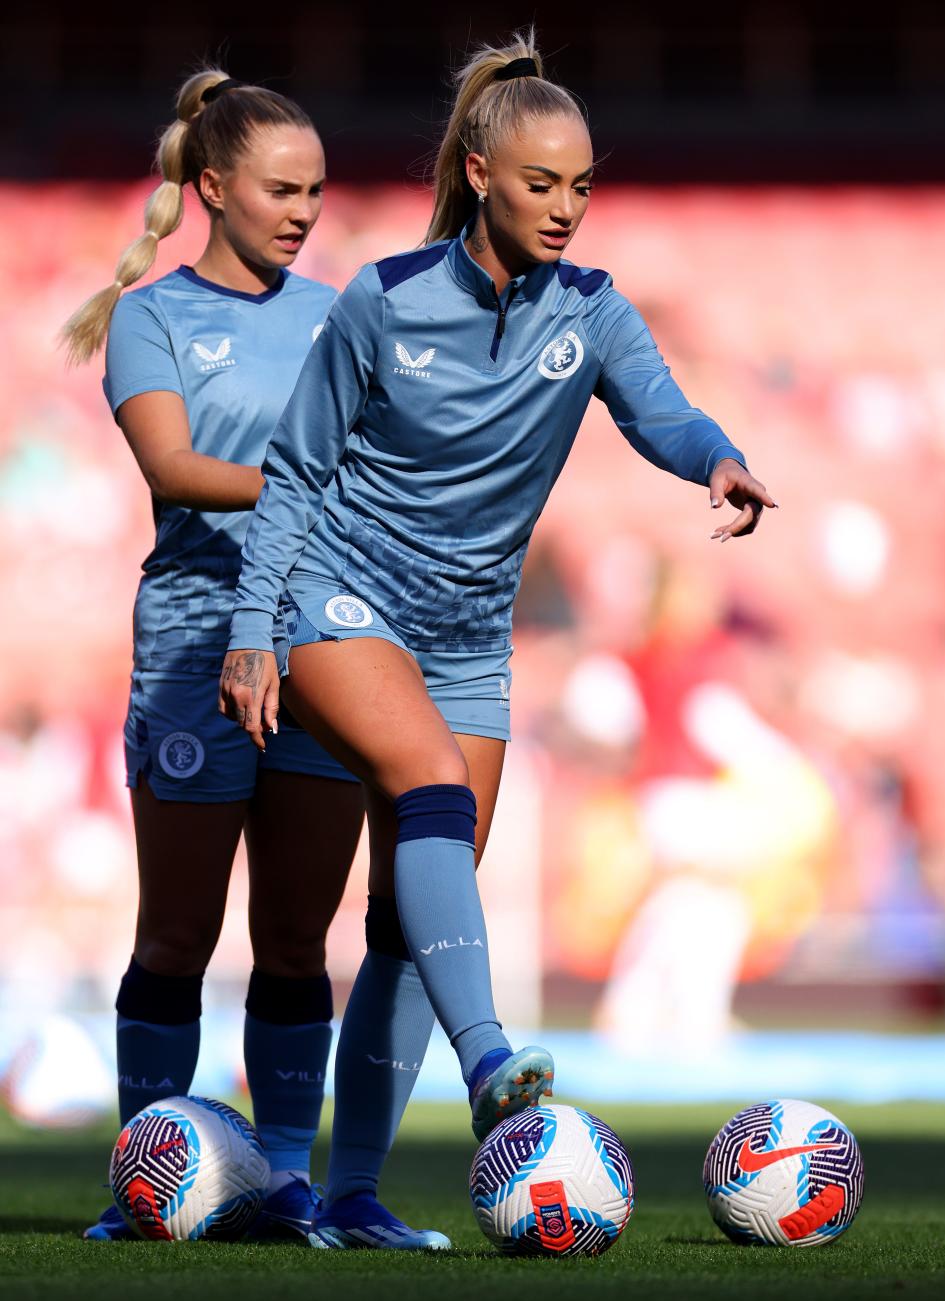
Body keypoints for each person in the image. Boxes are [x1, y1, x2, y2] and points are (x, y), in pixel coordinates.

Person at [219, 30, 776, 1150]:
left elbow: (660, 410)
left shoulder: (594, 311)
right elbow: (295, 474)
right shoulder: (381, 301)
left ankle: (358, 1194)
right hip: (342, 595)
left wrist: (714, 454)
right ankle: (489, 1061)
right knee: (431, 783)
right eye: (541, 183)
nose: (566, 207)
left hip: (469, 637)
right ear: (479, 174)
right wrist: (249, 628)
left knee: (408, 925)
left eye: (580, 185)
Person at [62, 68, 446, 1251]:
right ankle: (151, 1176)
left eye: (318, 192)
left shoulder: (345, 312)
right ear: (212, 187)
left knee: (295, 937)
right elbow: (174, 469)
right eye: (282, 189)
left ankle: (287, 1180)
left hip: (326, 642)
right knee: (175, 934)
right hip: (192, 640)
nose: (303, 211)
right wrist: (323, 492)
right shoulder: (152, 315)